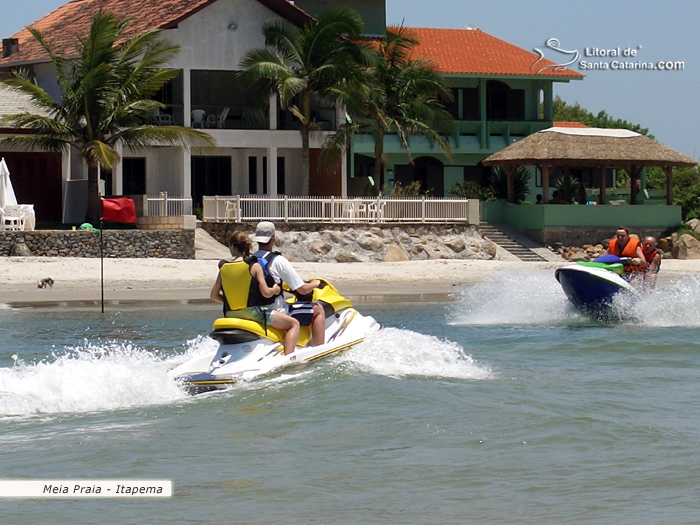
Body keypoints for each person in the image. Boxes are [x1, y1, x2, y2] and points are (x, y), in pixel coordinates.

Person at [210, 231, 301, 356]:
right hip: (254, 314)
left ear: (232, 246)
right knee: (293, 324)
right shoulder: (253, 266)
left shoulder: (224, 267)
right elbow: (266, 293)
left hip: (230, 314)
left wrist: (229, 302)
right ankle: (289, 357)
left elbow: (213, 296)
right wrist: (275, 289)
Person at [251, 221, 326, 348]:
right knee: (318, 309)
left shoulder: (250, 259)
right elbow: (302, 289)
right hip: (276, 311)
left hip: (256, 310)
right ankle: (319, 348)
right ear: (273, 238)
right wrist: (316, 284)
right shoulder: (278, 260)